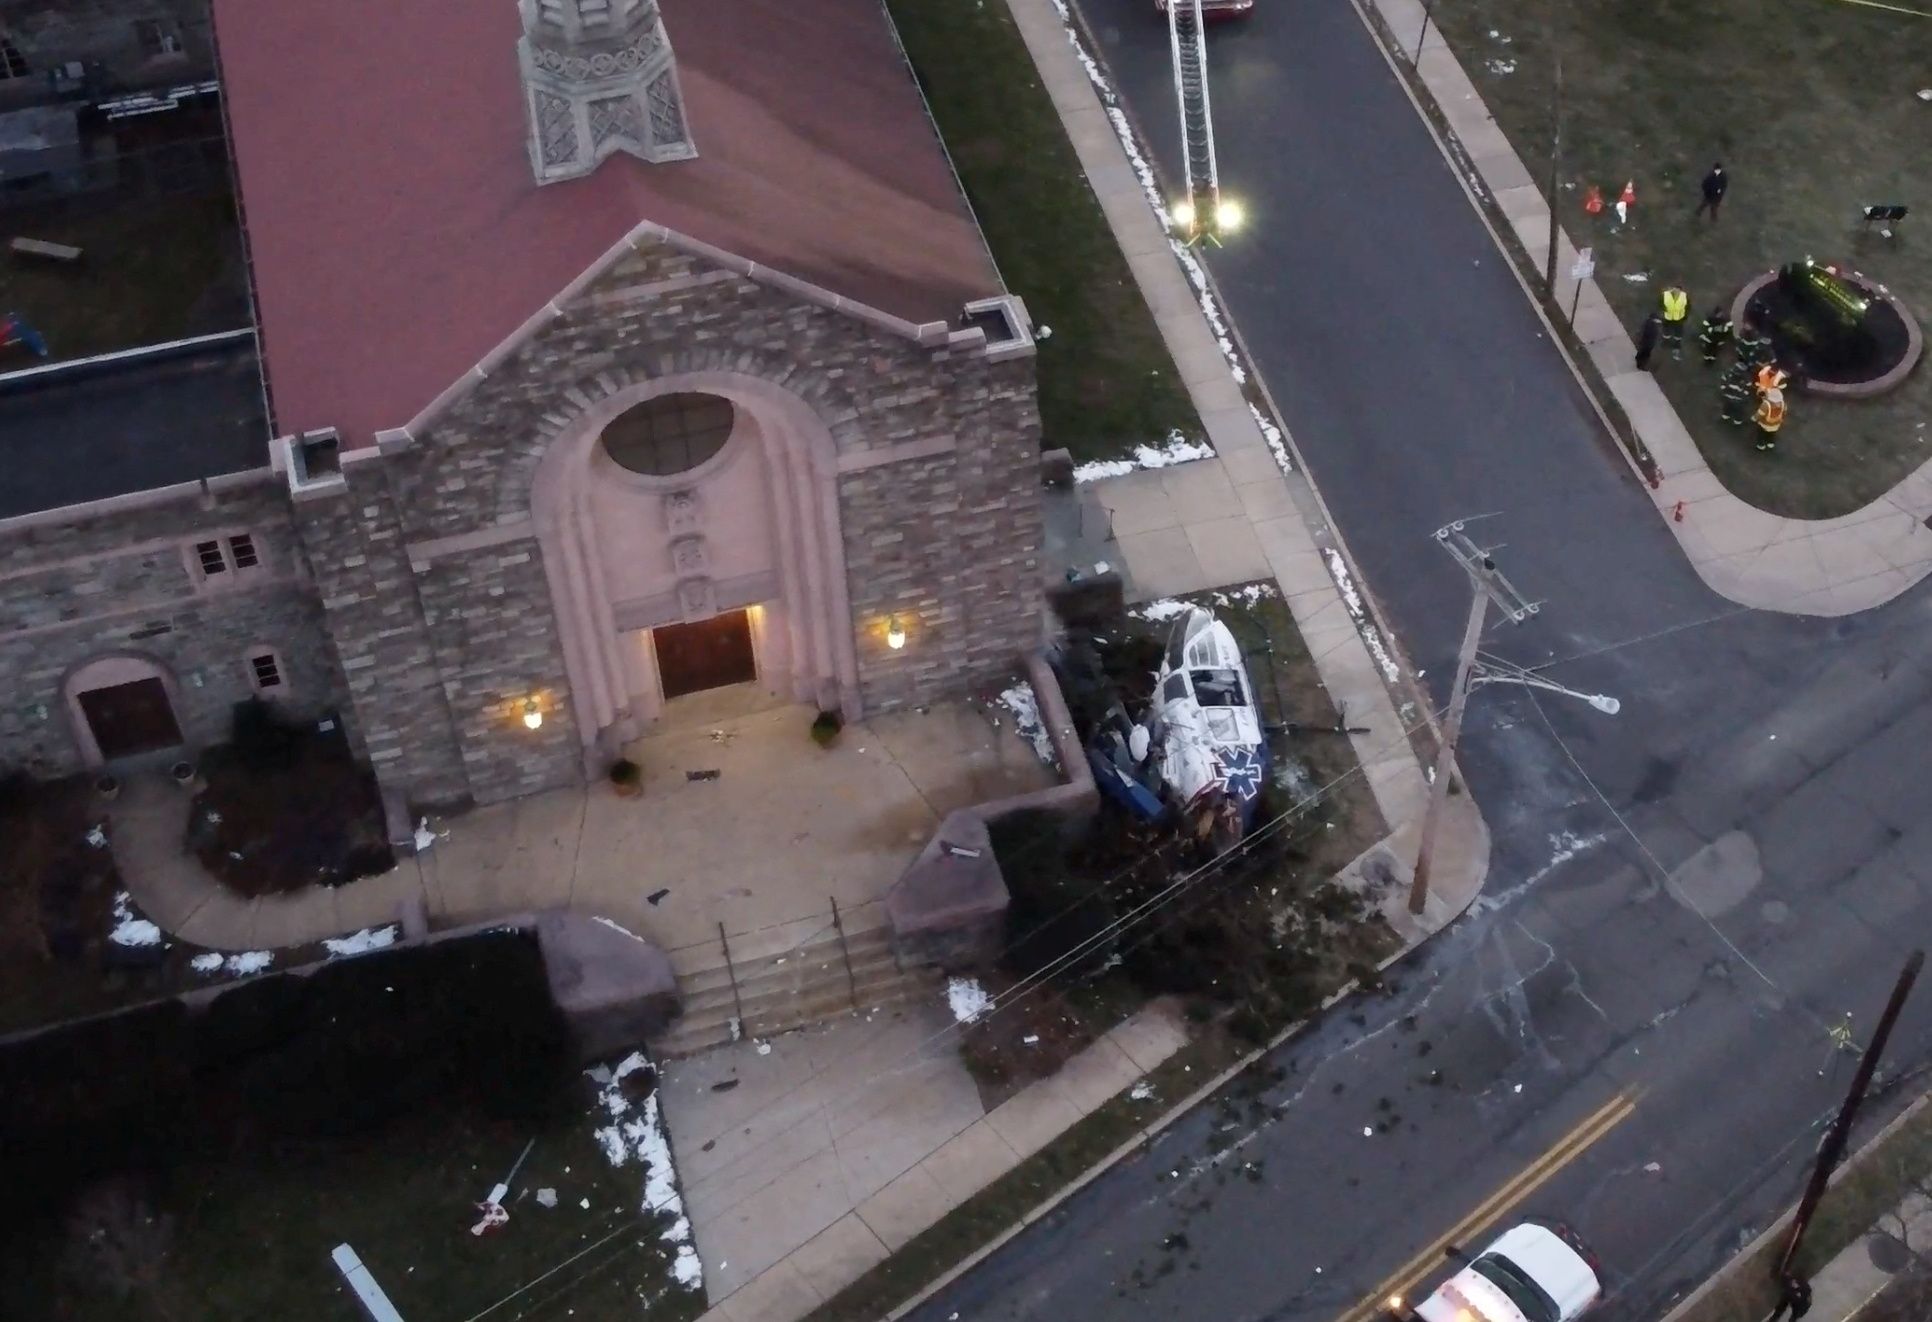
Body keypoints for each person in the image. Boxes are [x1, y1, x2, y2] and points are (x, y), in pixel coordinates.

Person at [1720, 361, 1754, 426]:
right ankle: (1737, 420)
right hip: (1739, 399)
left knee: (1727, 406)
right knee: (1739, 410)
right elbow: (1747, 389)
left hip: (1728, 396)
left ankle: (1726, 415)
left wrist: (1724, 391)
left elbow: (1722, 384)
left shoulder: (1728, 373)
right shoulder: (1746, 378)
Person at [1661, 285, 1690, 359]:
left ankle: (1676, 345)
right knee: (1666, 332)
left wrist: (1685, 316)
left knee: (1678, 333)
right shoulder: (1666, 295)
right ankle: (1666, 342)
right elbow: (1660, 303)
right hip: (1668, 318)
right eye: (1675, 290)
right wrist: (1663, 309)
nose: (1676, 291)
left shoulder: (1684, 297)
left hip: (1679, 319)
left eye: (1678, 290)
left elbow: (1688, 307)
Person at [1754, 386, 1786, 453]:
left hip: (1765, 424)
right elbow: (1784, 413)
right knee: (1771, 434)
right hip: (1776, 425)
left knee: (1761, 433)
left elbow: (1760, 414)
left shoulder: (1766, 405)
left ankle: (1761, 445)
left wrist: (1754, 418)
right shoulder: (1783, 404)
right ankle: (1770, 443)